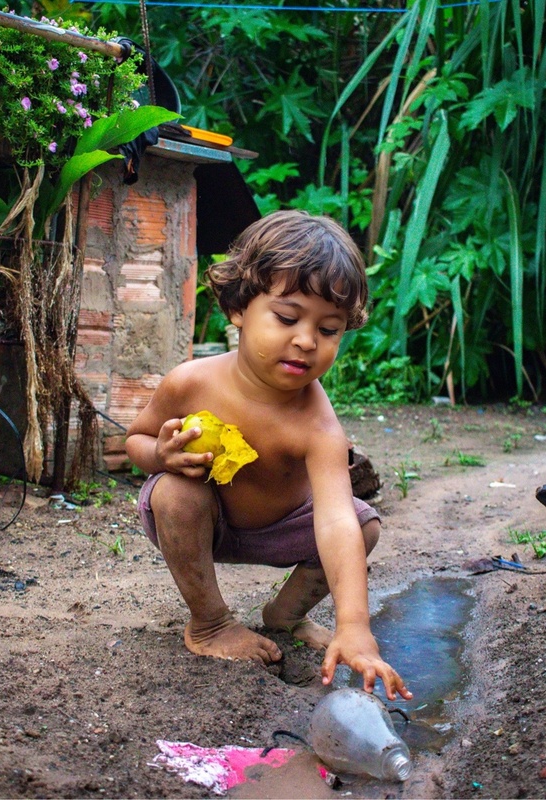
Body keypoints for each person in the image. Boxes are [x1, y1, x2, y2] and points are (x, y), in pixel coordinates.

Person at [125, 210, 411, 700]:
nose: (306, 341)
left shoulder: (317, 424)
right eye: (286, 317)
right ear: (239, 307)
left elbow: (336, 519)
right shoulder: (190, 383)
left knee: (363, 525)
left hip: (282, 531)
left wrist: (354, 625)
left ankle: (285, 615)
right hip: (202, 523)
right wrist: (164, 455)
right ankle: (210, 623)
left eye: (329, 329)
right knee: (173, 493)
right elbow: (136, 441)